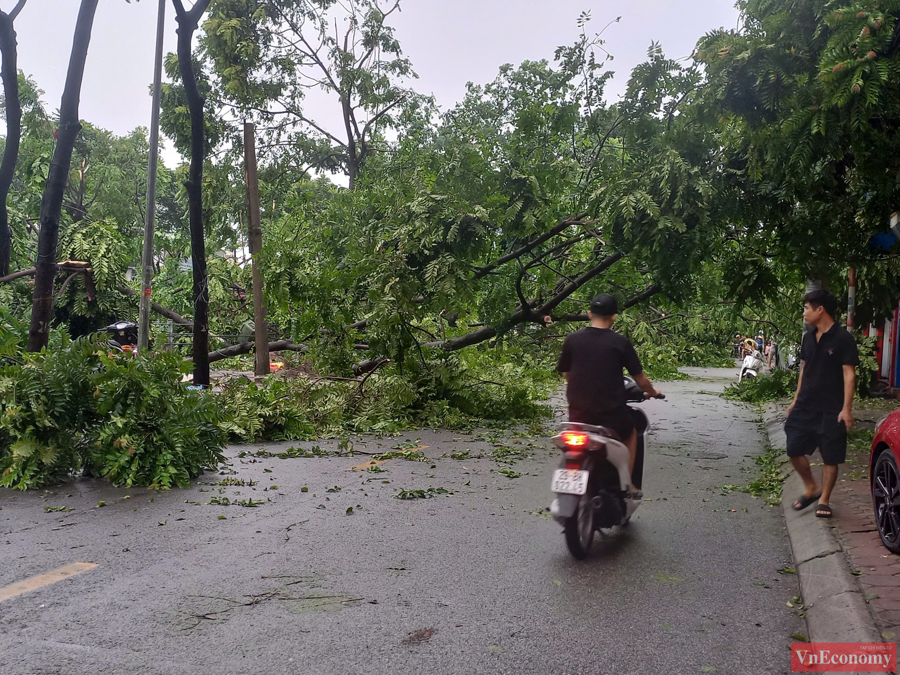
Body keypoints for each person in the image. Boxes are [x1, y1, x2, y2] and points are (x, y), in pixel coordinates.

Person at [556, 293, 662, 498]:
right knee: (631, 430)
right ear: (614, 317)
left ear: (589, 314)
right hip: (610, 417)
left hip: (577, 416)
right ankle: (628, 485)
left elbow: (566, 372)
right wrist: (652, 392)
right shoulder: (620, 343)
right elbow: (640, 379)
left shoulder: (572, 339)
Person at [785, 289, 858, 519]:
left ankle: (824, 499)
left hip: (831, 408)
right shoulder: (808, 337)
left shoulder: (843, 339)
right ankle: (811, 487)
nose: (804, 313)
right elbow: (804, 369)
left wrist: (847, 408)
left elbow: (849, 375)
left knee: (831, 455)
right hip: (805, 405)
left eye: (807, 308)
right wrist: (795, 399)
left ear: (820, 309)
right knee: (793, 447)